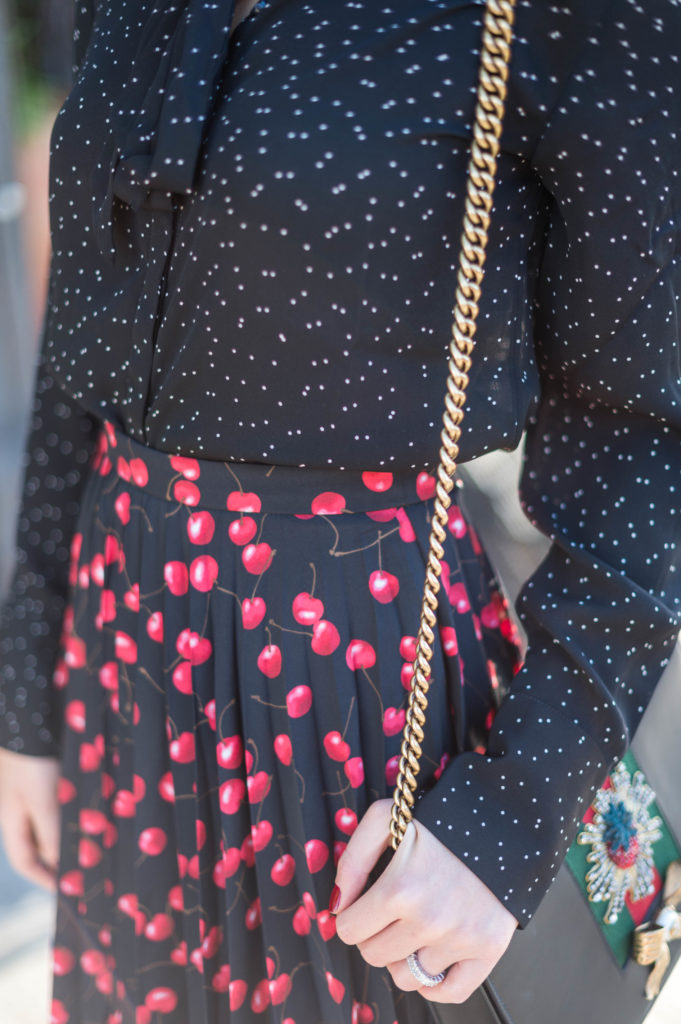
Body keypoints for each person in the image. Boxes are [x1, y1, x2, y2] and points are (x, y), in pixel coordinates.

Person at [0, 1, 679, 1021]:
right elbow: (86, 326)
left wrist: (514, 817)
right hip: (122, 667)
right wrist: (27, 683)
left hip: (359, 709)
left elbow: (649, 436)